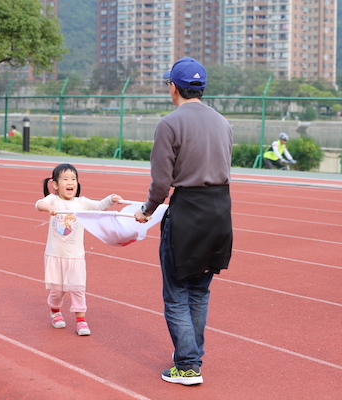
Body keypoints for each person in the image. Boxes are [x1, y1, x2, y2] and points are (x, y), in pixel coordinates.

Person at [134, 57, 233, 386]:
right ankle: (191, 359)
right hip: (219, 211)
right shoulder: (223, 123)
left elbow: (161, 184)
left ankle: (188, 365)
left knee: (176, 292)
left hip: (188, 211)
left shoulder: (169, 124)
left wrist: (146, 211)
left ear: (173, 87)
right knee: (200, 292)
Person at [35, 163, 123, 336]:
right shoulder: (53, 200)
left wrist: (110, 199)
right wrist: (49, 208)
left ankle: (81, 321)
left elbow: (98, 207)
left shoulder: (81, 202)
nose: (70, 183)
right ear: (55, 184)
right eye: (66, 179)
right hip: (55, 255)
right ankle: (55, 311)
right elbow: (39, 204)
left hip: (75, 256)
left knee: (77, 288)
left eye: (73, 179)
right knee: (57, 291)